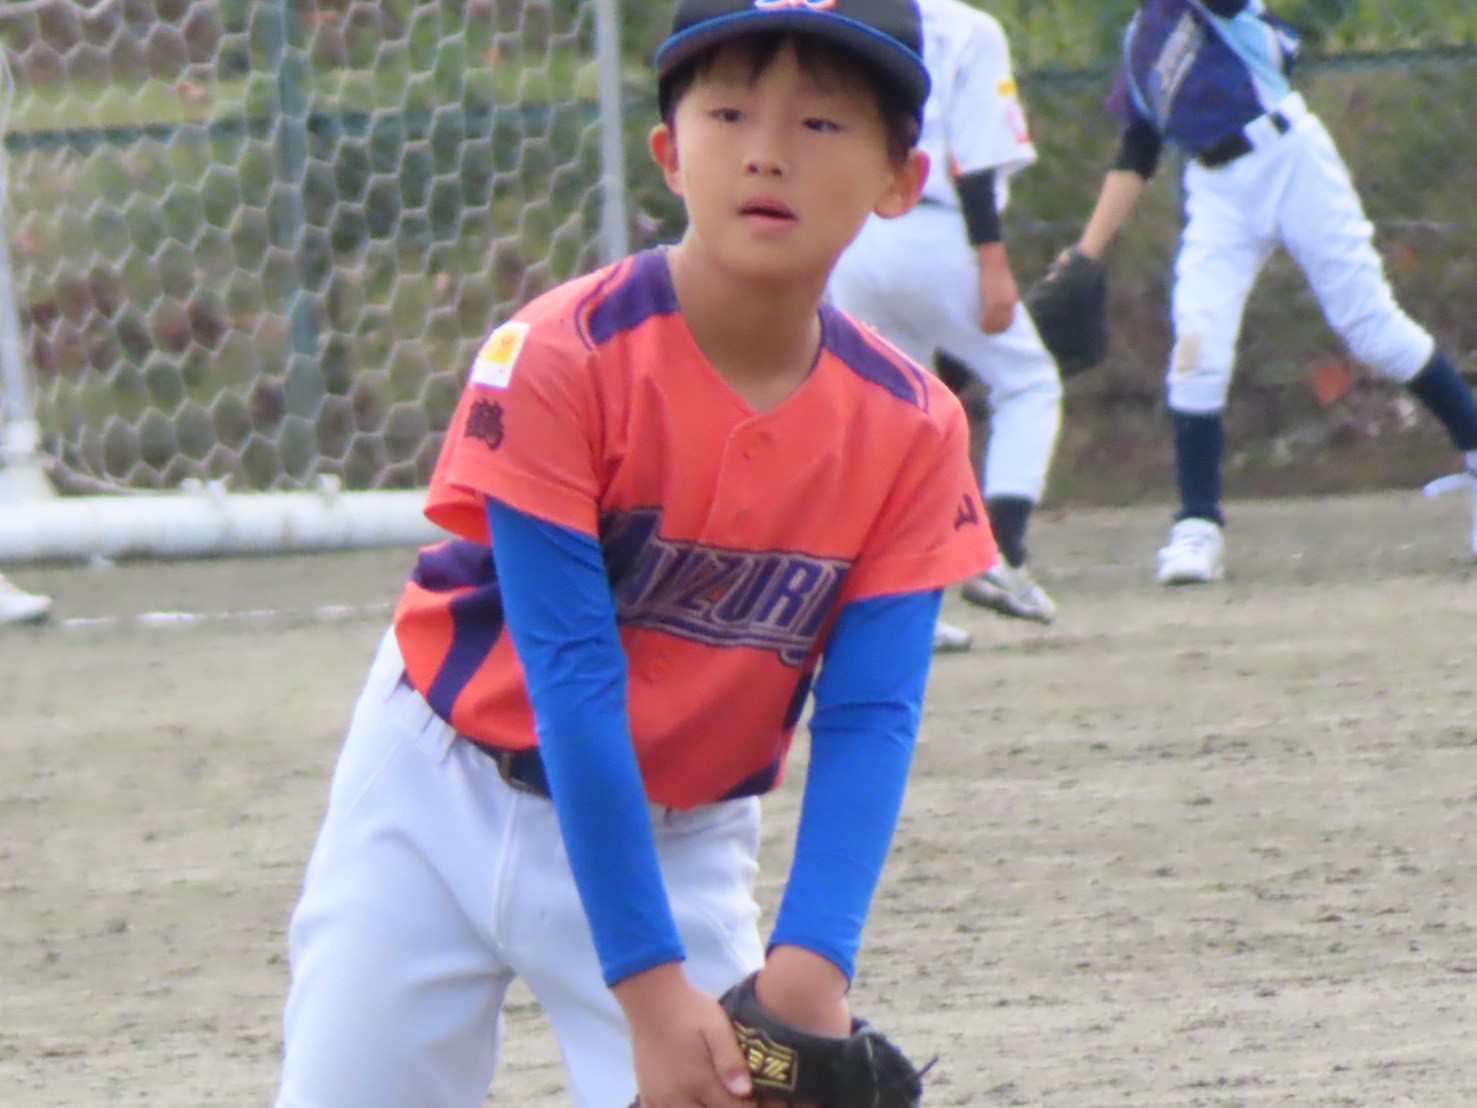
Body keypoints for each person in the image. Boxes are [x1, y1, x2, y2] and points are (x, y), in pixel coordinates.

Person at [273, 2, 995, 1106]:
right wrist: (652, 996)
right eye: (729, 112)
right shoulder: (559, 354)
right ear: (669, 152)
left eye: (820, 123)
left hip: (676, 839)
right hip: (431, 793)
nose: (766, 150)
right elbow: (571, 679)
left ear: (902, 179)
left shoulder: (912, 427)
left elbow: (870, 714)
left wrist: (811, 967)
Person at [1069, 0, 1477, 584]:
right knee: (1196, 349)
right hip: (1216, 188)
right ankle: (1197, 525)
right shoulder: (1141, 41)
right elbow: (1138, 148)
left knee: (1371, 328)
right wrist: (1086, 251)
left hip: (1289, 157)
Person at [830, 0, 1064, 641]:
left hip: (851, 233)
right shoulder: (967, 28)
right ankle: (1002, 556)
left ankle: (894, 600)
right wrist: (994, 262)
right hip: (933, 231)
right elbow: (974, 159)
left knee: (894, 419)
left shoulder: (851, 17)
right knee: (1029, 383)